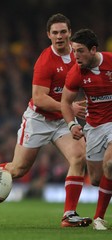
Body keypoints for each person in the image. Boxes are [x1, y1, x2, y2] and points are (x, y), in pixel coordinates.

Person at [0, 13, 92, 227]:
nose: (59, 36)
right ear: (48, 35)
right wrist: (69, 108)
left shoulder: (78, 55)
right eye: (55, 32)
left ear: (70, 33)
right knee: (19, 169)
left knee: (79, 156)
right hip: (39, 119)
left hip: (62, 121)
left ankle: (69, 215)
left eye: (63, 32)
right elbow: (39, 98)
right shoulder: (45, 61)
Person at [61, 28, 112, 230]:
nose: (76, 56)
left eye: (80, 51)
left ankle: (99, 217)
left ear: (93, 50)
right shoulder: (76, 72)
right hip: (94, 126)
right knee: (97, 179)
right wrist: (72, 124)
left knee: (110, 164)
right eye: (73, 51)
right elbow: (65, 102)